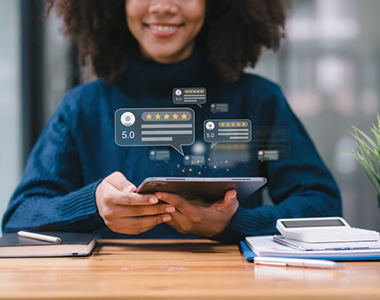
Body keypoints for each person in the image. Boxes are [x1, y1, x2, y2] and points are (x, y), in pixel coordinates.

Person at [2, 0, 342, 243]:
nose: (162, 6)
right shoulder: (82, 107)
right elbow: (18, 219)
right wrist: (93, 207)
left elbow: (322, 206)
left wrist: (236, 223)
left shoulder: (258, 100)